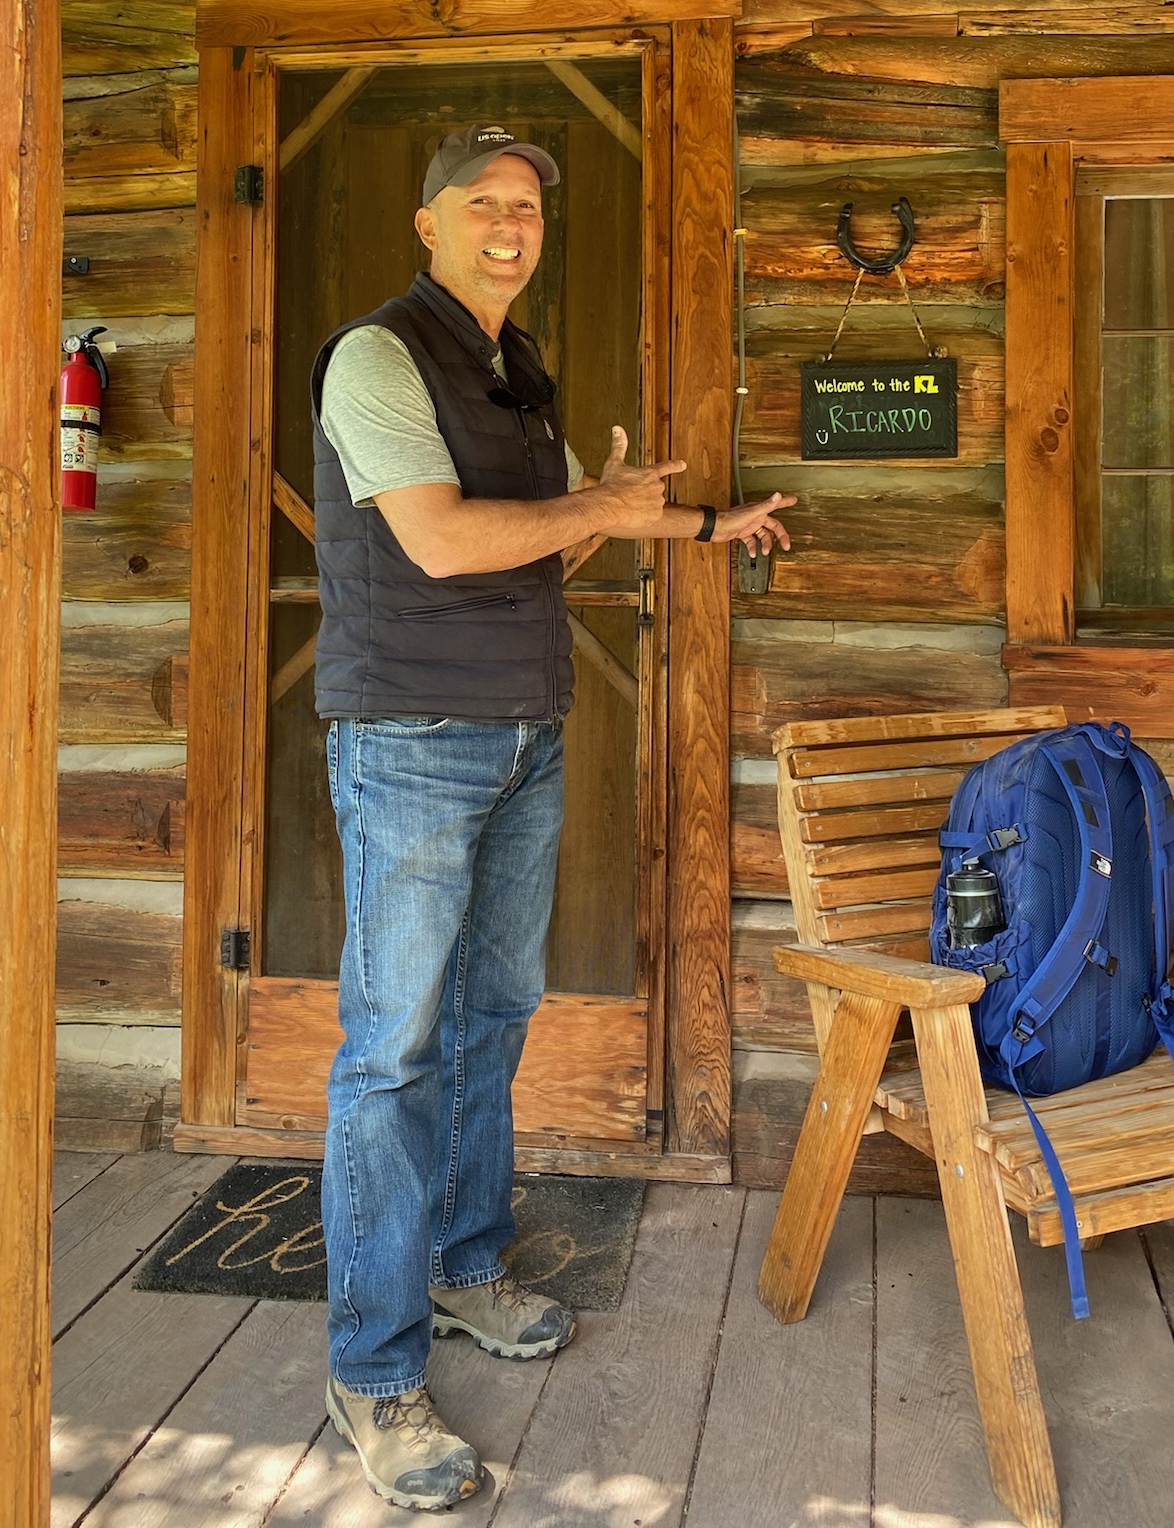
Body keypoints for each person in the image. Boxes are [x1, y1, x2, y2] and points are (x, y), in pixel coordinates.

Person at [311, 122, 794, 1510]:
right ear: (428, 223)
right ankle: (374, 1367)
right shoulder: (378, 355)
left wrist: (679, 522)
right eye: (483, 205)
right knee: (392, 1051)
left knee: (493, 1014)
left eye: (525, 206)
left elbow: (557, 535)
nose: (510, 225)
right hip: (410, 737)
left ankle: (466, 1273)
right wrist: (597, 502)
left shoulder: (516, 370)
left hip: (522, 731)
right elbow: (445, 540)